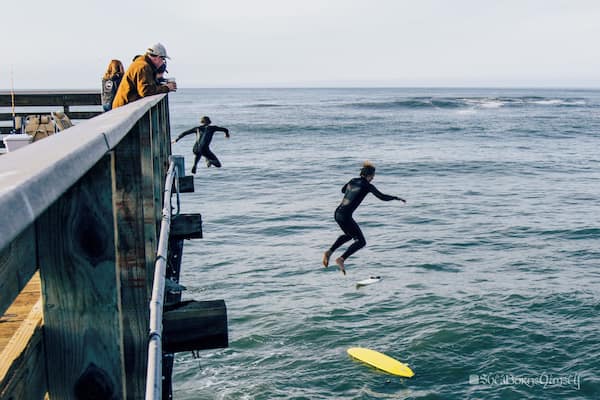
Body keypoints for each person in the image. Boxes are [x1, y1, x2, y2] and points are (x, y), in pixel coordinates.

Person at [323, 161, 406, 275]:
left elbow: (343, 190)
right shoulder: (367, 185)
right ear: (369, 175)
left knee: (349, 235)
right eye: (373, 176)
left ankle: (329, 252)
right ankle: (341, 259)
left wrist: (353, 190)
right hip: (346, 216)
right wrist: (395, 198)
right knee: (361, 242)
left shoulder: (352, 180)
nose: (373, 178)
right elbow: (381, 197)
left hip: (337, 213)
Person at [112, 43, 177, 109]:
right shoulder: (143, 66)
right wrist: (167, 88)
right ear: (158, 57)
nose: (163, 62)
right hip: (123, 108)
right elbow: (145, 91)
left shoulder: (141, 63)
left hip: (122, 105)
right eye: (163, 59)